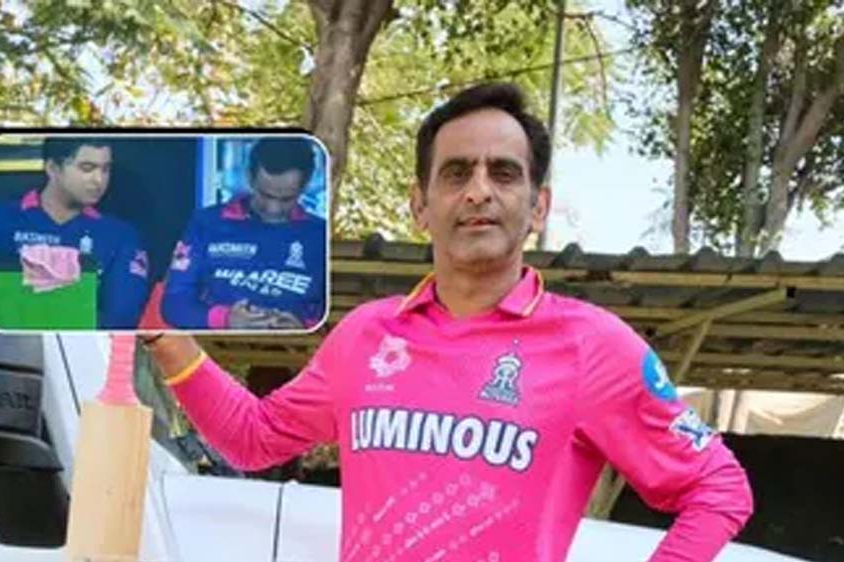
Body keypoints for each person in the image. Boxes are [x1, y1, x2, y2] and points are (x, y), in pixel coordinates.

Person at [142, 83, 753, 562]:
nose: (478, 191)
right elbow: (253, 439)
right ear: (420, 205)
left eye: (503, 173)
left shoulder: (591, 345)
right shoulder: (367, 336)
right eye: (457, 172)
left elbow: (719, 488)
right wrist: (165, 337)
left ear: (538, 206)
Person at [161, 136, 327, 330]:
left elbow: (336, 322)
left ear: (305, 185)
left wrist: (304, 329)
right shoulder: (206, 223)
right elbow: (174, 303)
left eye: (286, 199)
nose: (273, 209)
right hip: (218, 341)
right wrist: (225, 320)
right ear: (249, 177)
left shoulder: (320, 235)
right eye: (265, 195)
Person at [0, 137, 149, 329]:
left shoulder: (120, 235)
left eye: (105, 169)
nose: (99, 180)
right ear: (53, 168)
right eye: (87, 168)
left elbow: (121, 317)